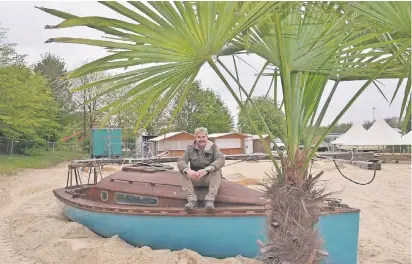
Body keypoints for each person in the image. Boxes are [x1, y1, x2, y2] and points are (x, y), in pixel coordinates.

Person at [177, 127, 225, 211]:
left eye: (203, 137)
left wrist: (207, 170)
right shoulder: (190, 149)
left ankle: (210, 200)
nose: (201, 139)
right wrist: (188, 171)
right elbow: (181, 161)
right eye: (199, 137)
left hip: (209, 178)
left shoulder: (213, 147)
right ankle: (192, 201)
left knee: (217, 171)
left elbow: (221, 160)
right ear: (195, 138)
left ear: (207, 137)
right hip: (196, 177)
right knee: (183, 172)